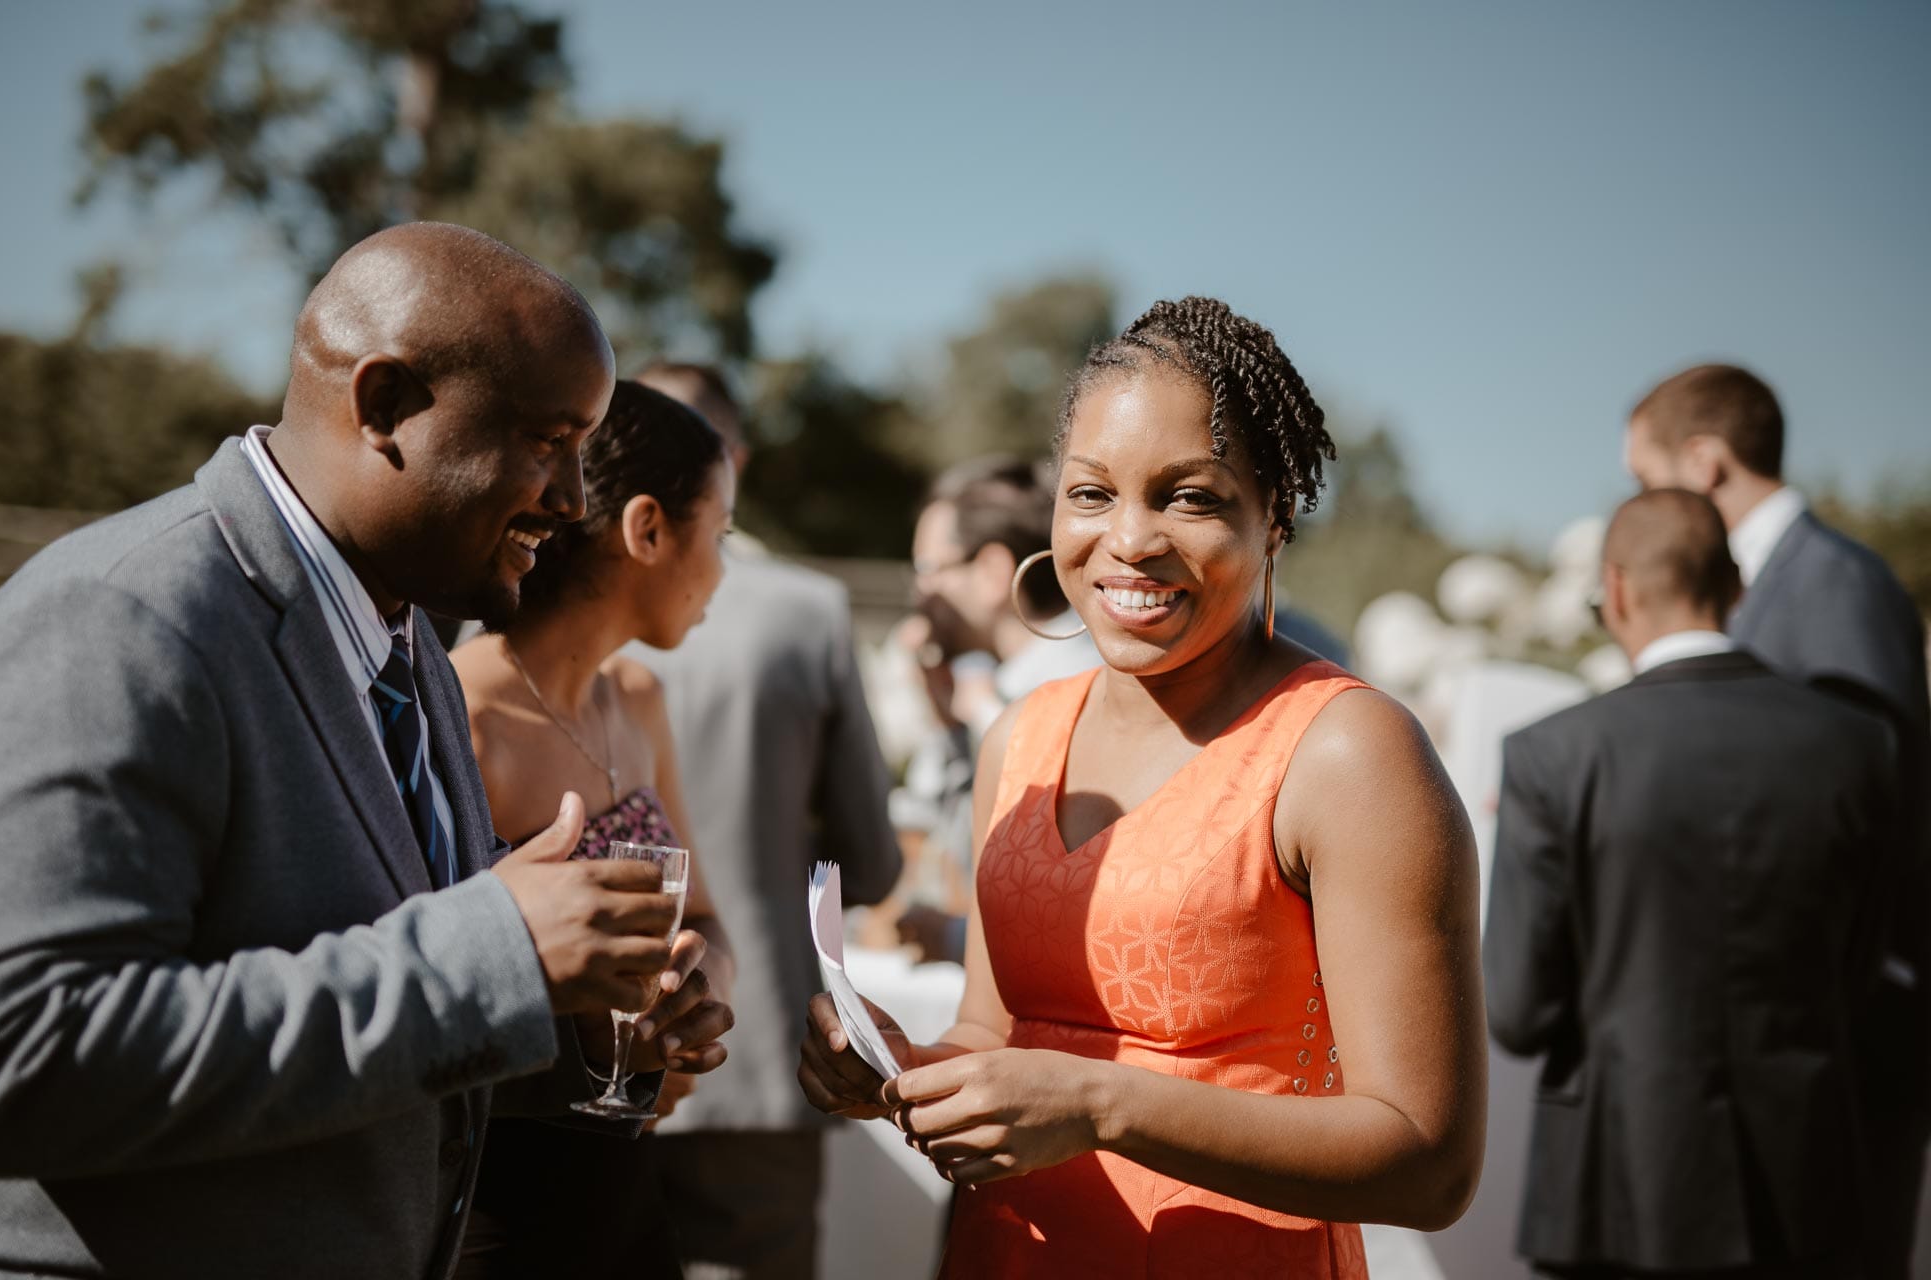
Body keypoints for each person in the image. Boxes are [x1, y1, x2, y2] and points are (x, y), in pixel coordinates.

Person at [0, 223, 732, 1278]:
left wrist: (578, 1034)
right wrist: (498, 957)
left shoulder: (405, 639)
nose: (571, 499)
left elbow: (351, 1026)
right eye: (544, 440)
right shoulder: (114, 624)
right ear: (384, 407)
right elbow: (4, 1062)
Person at [799, 297, 1487, 1277]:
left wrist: (1099, 1106)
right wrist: (896, 1069)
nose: (1127, 539)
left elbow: (1427, 1159)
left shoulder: (1346, 750)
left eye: (1188, 497)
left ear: (1274, 518)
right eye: (1090, 493)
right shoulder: (1019, 736)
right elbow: (994, 1033)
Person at [1485, 488, 1896, 1279]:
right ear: (1737, 586)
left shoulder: (1552, 757)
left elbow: (1519, 1011)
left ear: (1619, 587)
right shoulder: (1857, 745)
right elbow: (1860, 969)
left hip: (1614, 1192)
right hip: (1808, 1184)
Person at [1625, 363, 1929, 1278]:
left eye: (1649, 483)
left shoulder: (1832, 584)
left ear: (1707, 462)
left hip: (1845, 1032)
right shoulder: (1774, 583)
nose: (1644, 510)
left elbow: (1863, 803)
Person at [448, 378, 739, 1279]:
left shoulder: (638, 699)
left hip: (625, 1187)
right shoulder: (463, 714)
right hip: (496, 1206)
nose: (725, 572)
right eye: (720, 535)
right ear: (647, 529)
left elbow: (708, 920)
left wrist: (693, 1006)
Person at [627, 361, 902, 1280]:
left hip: (587, 1053)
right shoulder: (805, 610)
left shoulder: (530, 600)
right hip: (758, 1049)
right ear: (730, 460)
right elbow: (869, 861)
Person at [890, 456, 1102, 963]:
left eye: (927, 569)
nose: (918, 592)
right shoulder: (987, 692)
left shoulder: (1081, 694)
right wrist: (946, 724)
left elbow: (1072, 895)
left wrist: (955, 938)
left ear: (990, 573)